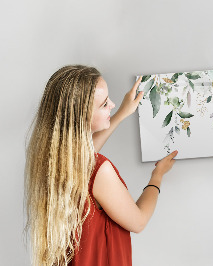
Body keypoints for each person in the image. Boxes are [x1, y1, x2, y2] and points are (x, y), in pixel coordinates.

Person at [24, 65, 177, 266]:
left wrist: (122, 113)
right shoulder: (99, 170)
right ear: (81, 117)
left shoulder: (53, 160)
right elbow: (138, 221)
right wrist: (157, 176)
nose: (112, 104)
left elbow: (86, 156)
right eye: (105, 104)